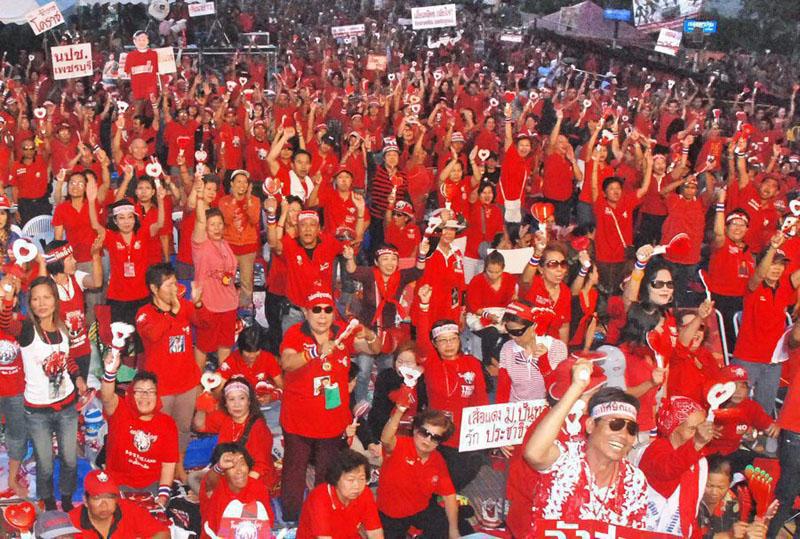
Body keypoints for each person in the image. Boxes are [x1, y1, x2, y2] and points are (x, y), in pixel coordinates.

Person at [278, 289, 380, 522]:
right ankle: (291, 519)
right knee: (294, 471)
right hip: (298, 421)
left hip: (332, 422)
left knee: (327, 473)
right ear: (306, 312)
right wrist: (315, 351)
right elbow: (287, 362)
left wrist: (368, 334)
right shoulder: (295, 333)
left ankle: (322, 516)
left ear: (334, 313)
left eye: (327, 310)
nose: (322, 315)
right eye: (316, 310)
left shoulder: (343, 333)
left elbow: (376, 349)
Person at [523, 365, 649, 531]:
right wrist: (577, 387)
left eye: (631, 429)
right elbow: (534, 454)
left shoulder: (634, 480)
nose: (623, 435)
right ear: (590, 425)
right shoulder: (566, 458)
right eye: (615, 424)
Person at [6, 277, 86, 511]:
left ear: (55, 300)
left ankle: (68, 499)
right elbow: (6, 324)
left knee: (70, 458)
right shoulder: (27, 330)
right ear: (29, 303)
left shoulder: (63, 327)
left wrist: (78, 376)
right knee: (45, 462)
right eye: (35, 299)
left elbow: (67, 358)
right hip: (37, 412)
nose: (41, 303)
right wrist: (8, 299)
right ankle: (48, 501)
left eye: (46, 297)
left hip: (67, 407)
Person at [136, 263, 206, 481]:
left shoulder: (183, 305)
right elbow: (154, 334)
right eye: (169, 285)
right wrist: (172, 314)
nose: (175, 289)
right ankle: (158, 470)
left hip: (187, 383)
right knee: (159, 431)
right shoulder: (144, 314)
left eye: (176, 283)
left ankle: (179, 466)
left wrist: (198, 303)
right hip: (161, 387)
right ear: (154, 288)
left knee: (183, 429)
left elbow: (203, 323)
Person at [416, 284, 488, 490]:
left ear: (459, 340)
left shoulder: (472, 363)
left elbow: (481, 398)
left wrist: (482, 430)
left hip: (465, 433)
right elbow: (422, 340)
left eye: (453, 339)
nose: (448, 345)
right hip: (437, 434)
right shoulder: (431, 363)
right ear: (435, 344)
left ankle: (448, 496)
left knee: (465, 473)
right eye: (442, 341)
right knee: (434, 479)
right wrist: (424, 306)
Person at [99, 347, 178, 505]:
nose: (145, 396)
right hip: (119, 483)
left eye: (150, 391)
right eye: (139, 391)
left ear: (157, 395)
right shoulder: (120, 410)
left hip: (152, 486)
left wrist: (162, 496)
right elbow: (107, 397)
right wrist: (110, 372)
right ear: (130, 393)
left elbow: (168, 465)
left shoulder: (167, 423)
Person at [732, 231, 800, 414]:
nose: (777, 269)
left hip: (773, 361)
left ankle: (759, 435)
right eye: (773, 264)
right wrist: (773, 248)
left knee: (764, 411)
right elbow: (759, 275)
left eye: (781, 265)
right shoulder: (753, 286)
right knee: (734, 408)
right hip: (748, 358)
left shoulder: (785, 286)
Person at [639, 396, 717, 537]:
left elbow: (691, 513)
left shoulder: (700, 461)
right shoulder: (654, 449)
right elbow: (667, 469)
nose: (699, 433)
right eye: (693, 429)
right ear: (674, 429)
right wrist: (697, 443)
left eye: (701, 427)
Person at [378, 409, 462, 538]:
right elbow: (386, 439)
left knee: (445, 526)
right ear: (415, 430)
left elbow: (449, 495)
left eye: (435, 437)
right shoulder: (399, 445)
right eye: (424, 433)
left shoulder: (438, 460)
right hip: (391, 515)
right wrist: (399, 411)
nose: (428, 440)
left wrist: (454, 530)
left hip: (420, 509)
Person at [192, 377, 276, 491]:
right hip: (230, 475)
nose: (237, 404)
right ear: (225, 404)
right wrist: (202, 406)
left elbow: (261, 467)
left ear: (249, 401)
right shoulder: (227, 420)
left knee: (207, 491)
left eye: (242, 398)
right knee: (194, 478)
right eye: (231, 399)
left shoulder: (258, 427)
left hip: (253, 480)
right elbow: (199, 425)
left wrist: (237, 492)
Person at [40, 238, 103, 381]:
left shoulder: (76, 277)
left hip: (83, 349)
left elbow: (97, 282)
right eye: (70, 258)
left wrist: (95, 256)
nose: (75, 261)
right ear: (59, 262)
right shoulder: (48, 287)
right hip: (62, 352)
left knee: (84, 387)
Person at [191, 173, 239, 366]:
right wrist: (199, 195)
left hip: (229, 305)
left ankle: (225, 380)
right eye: (212, 225)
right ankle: (197, 381)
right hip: (209, 305)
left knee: (226, 345)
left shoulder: (225, 244)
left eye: (219, 224)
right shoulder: (200, 244)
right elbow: (200, 221)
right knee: (203, 346)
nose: (217, 228)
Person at [296, 449, 384, 539]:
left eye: (362, 479)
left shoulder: (365, 493)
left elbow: (375, 533)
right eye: (351, 480)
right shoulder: (320, 498)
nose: (357, 486)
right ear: (336, 479)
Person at [497, 299, 567, 403]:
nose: (512, 336)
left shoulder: (557, 347)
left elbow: (557, 391)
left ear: (534, 326)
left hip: (546, 406)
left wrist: (544, 360)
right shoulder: (507, 348)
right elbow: (503, 389)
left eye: (518, 332)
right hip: (516, 408)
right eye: (508, 330)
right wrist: (501, 410)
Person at [199, 443, 274, 539]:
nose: (239, 471)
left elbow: (266, 525)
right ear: (223, 472)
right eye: (231, 467)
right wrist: (219, 466)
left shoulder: (258, 487)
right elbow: (210, 482)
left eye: (242, 464)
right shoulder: (216, 485)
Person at [69, 470, 169, 537]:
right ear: (86, 501)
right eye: (97, 498)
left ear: (117, 499)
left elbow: (163, 533)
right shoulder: (70, 524)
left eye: (110, 497)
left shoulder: (129, 509)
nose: (104, 504)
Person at [218, 169, 260, 308]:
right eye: (238, 182)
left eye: (245, 182)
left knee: (246, 281)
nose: (242, 185)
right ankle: (226, 304)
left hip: (248, 247)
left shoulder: (255, 200)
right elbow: (227, 220)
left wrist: (248, 200)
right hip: (229, 247)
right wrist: (234, 200)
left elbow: (254, 219)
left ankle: (245, 309)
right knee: (226, 278)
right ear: (231, 183)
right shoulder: (224, 201)